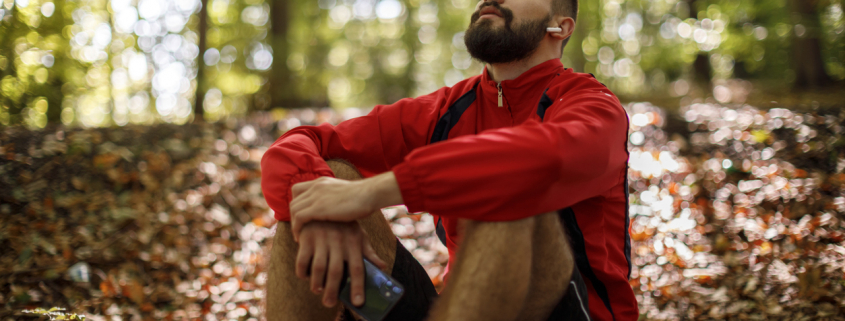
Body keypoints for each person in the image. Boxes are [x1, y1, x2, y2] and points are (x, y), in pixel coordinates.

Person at [260, 0, 638, 319]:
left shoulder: (593, 106)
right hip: (454, 308)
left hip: (564, 311)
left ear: (560, 25)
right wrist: (322, 213)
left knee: (513, 196)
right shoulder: (446, 110)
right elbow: (300, 143)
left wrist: (374, 192)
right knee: (317, 187)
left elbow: (546, 159)